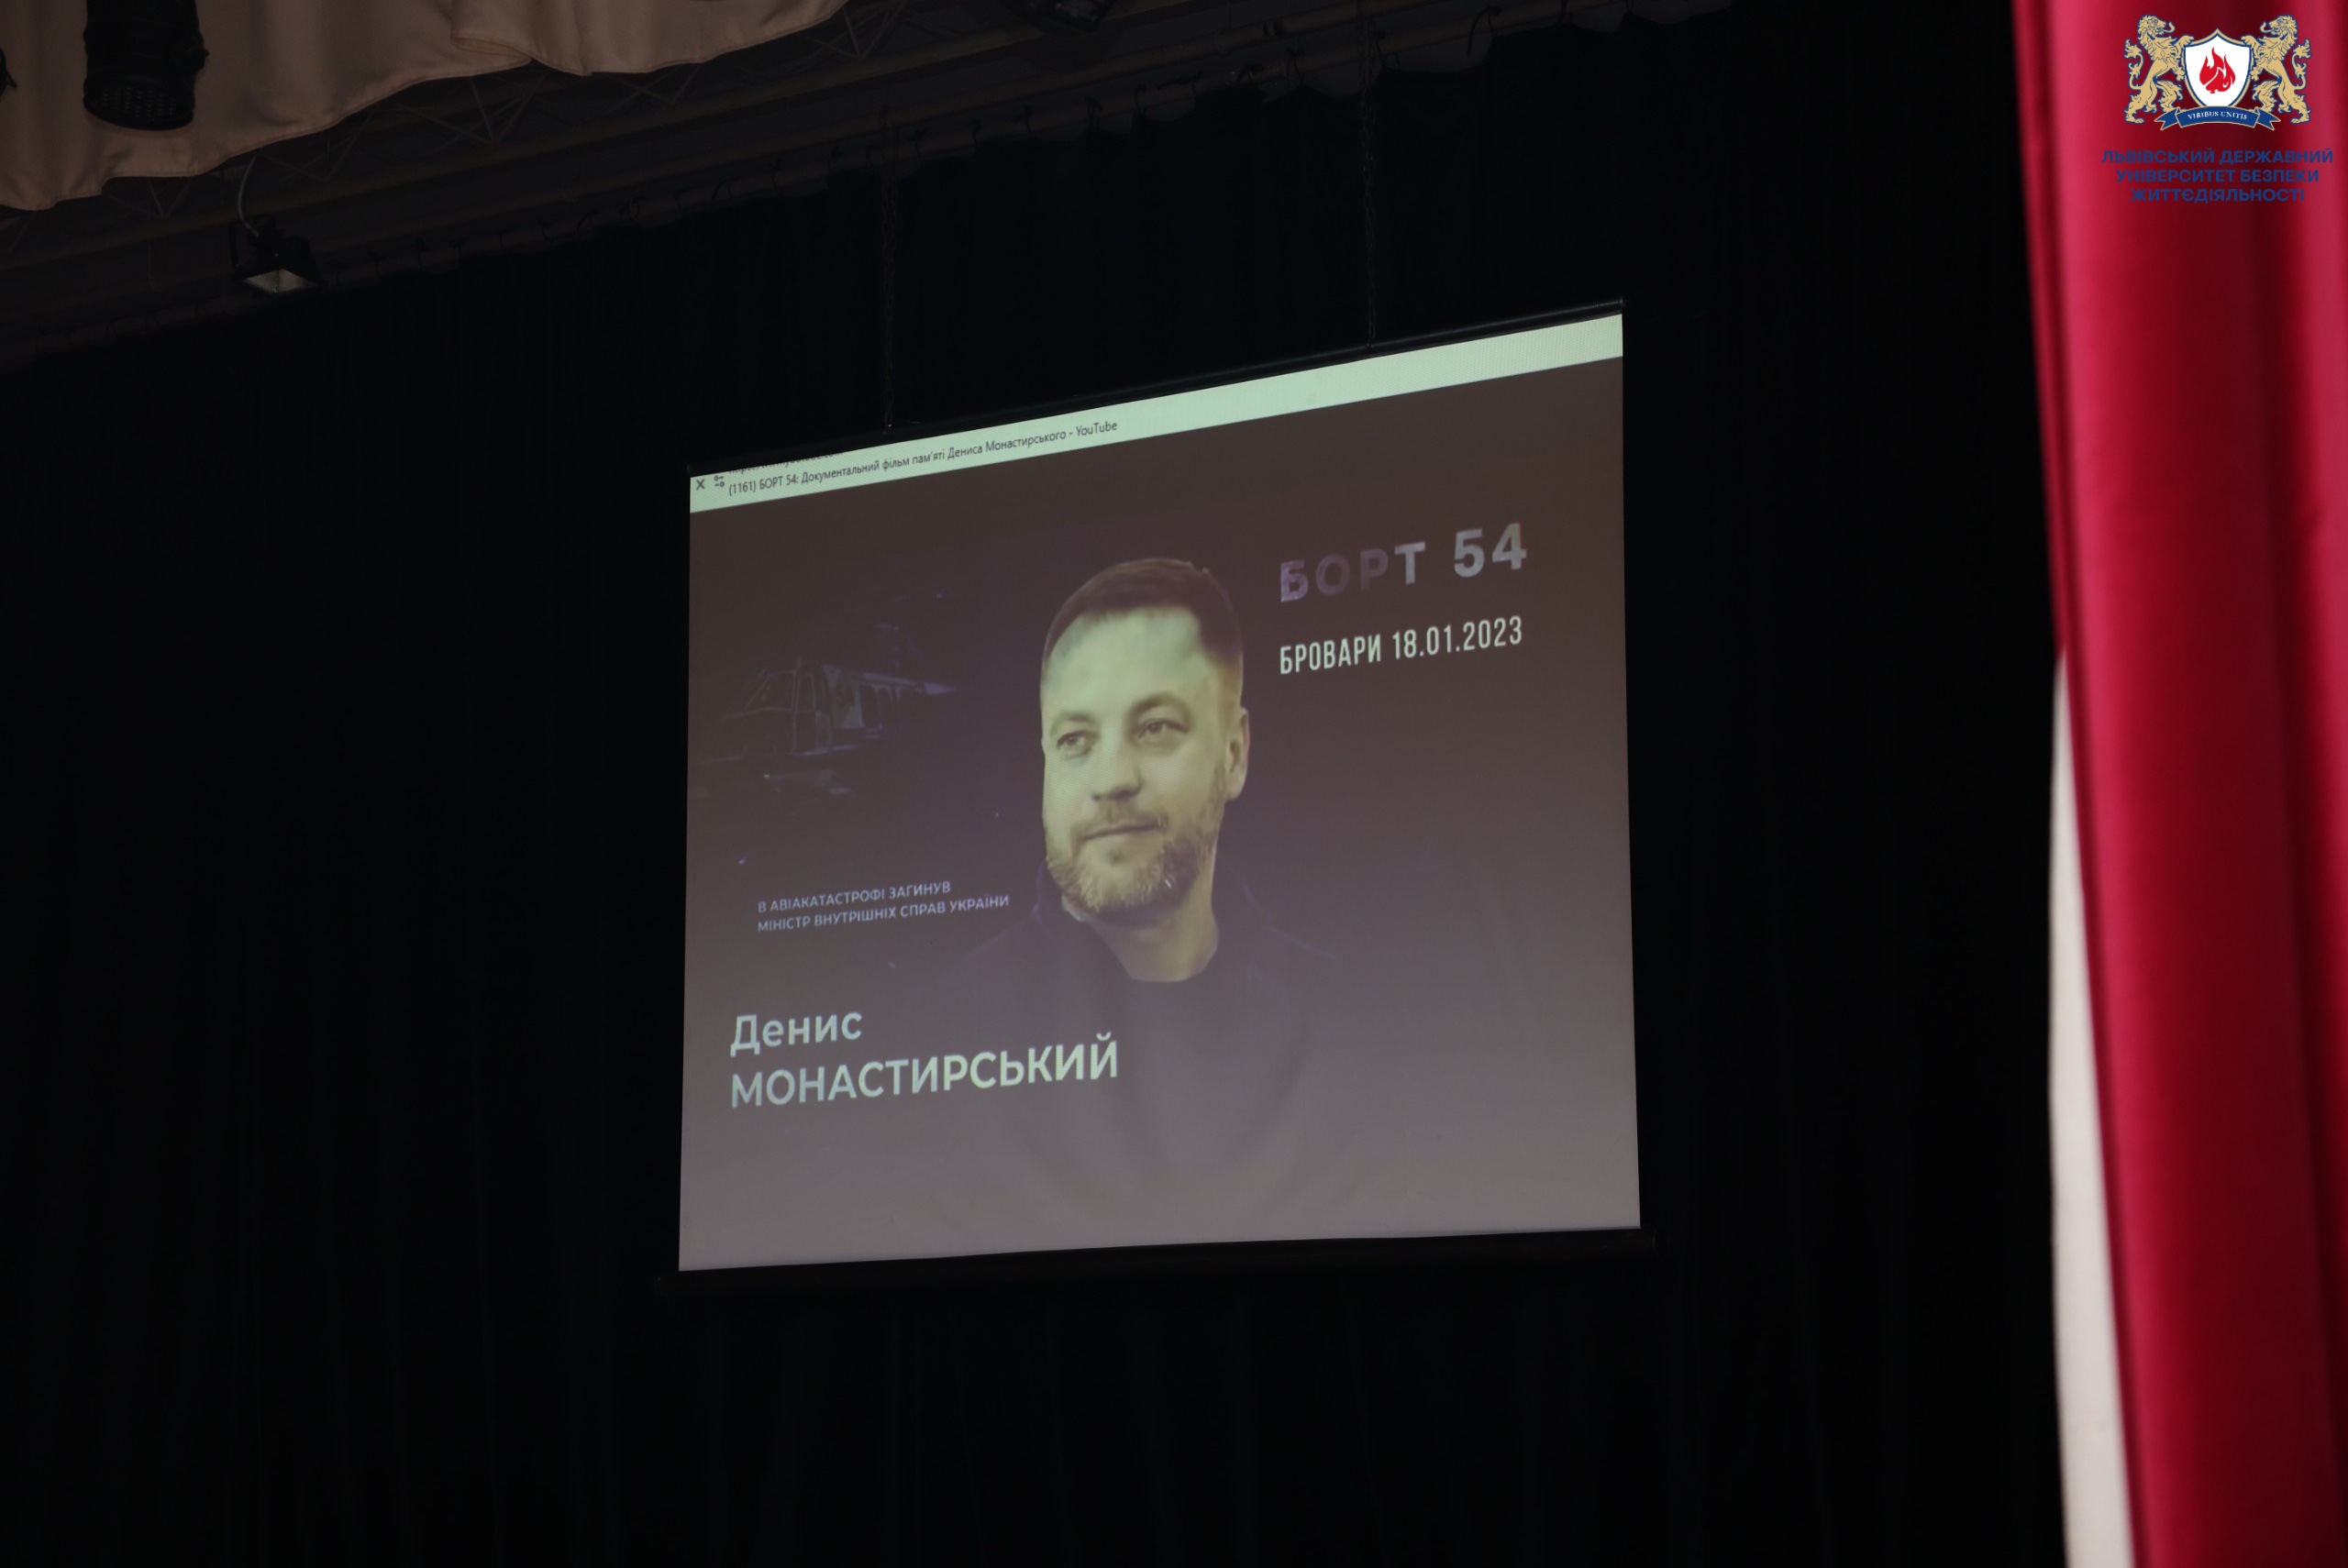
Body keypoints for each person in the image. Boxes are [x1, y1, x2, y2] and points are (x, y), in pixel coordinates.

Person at [913, 559, 1363, 1227]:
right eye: (1075, 740)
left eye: (1155, 728)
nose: (1111, 779)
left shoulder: (1351, 1027)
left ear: (1234, 753)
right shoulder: (937, 1037)